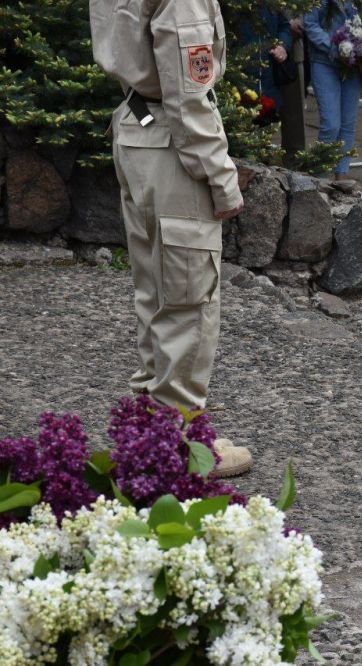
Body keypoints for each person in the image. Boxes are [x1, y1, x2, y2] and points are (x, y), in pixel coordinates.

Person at [89, 0, 252, 476]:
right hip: (172, 147)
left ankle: (150, 425)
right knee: (187, 298)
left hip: (137, 128)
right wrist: (221, 178)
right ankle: (177, 445)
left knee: (156, 290)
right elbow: (187, 97)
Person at [304, 0, 362, 181]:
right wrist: (334, 47)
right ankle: (319, 176)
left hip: (355, 63)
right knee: (330, 124)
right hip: (324, 61)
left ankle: (341, 174)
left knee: (347, 123)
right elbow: (310, 23)